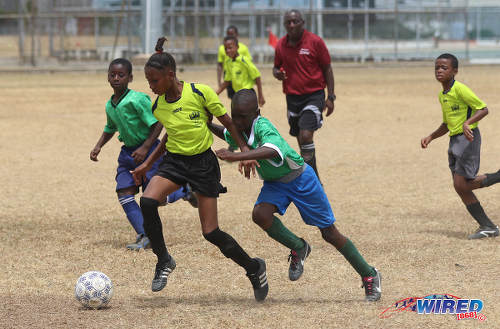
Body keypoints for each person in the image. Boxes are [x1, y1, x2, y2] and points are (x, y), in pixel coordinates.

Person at [209, 89, 382, 302]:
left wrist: (236, 156)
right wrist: (208, 124)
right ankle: (299, 247)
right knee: (260, 215)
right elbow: (227, 133)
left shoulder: (263, 126)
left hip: (300, 179)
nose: (237, 120)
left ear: (257, 112)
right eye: (234, 115)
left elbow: (272, 150)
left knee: (329, 234)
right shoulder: (239, 127)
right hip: (275, 184)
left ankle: (369, 274)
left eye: (243, 116)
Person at [131, 37, 269, 301]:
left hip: (202, 164)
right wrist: (148, 164)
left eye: (155, 80)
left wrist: (244, 152)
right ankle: (163, 260)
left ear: (170, 75)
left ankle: (253, 268)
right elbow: (169, 136)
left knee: (211, 233)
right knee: (147, 201)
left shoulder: (200, 93)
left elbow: (229, 123)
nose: (151, 86)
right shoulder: (158, 105)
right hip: (174, 162)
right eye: (148, 81)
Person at [90, 58, 197, 251]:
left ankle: (184, 191)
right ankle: (146, 234)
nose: (116, 78)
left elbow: (157, 123)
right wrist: (98, 146)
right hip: (127, 155)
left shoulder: (137, 100)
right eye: (112, 74)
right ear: (107, 77)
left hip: (148, 152)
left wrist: (146, 148)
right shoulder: (110, 105)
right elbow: (110, 127)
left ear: (130, 78)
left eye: (121, 75)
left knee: (154, 199)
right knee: (124, 193)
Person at [421, 53, 500, 239]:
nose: (439, 71)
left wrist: (467, 123)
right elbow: (447, 124)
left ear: (454, 71)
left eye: (444, 68)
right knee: (461, 186)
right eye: (437, 68)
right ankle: (487, 226)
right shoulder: (443, 95)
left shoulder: (460, 89)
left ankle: (487, 225)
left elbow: (483, 109)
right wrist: (431, 136)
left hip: (468, 139)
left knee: (460, 184)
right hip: (454, 140)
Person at [272, 9, 335, 182]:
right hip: (292, 98)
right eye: (288, 22)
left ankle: (312, 180)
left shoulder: (314, 42)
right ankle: (312, 175)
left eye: (295, 21)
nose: (291, 25)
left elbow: (327, 68)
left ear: (302, 23)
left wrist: (331, 97)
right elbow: (276, 67)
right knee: (300, 138)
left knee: (306, 135)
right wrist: (277, 73)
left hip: (314, 96)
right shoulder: (281, 45)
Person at [216, 36, 265, 107]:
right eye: (225, 49)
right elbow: (227, 81)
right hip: (237, 94)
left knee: (248, 116)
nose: (228, 51)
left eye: (230, 48)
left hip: (248, 93)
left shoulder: (244, 60)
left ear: (237, 47)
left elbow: (257, 76)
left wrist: (260, 95)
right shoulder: (228, 62)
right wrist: (216, 93)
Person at [217, 25, 252, 100]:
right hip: (228, 75)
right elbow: (220, 65)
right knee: (233, 97)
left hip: (241, 76)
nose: (228, 50)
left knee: (242, 98)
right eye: (228, 34)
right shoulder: (222, 48)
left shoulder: (243, 48)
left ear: (237, 35)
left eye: (232, 34)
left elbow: (249, 64)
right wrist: (219, 81)